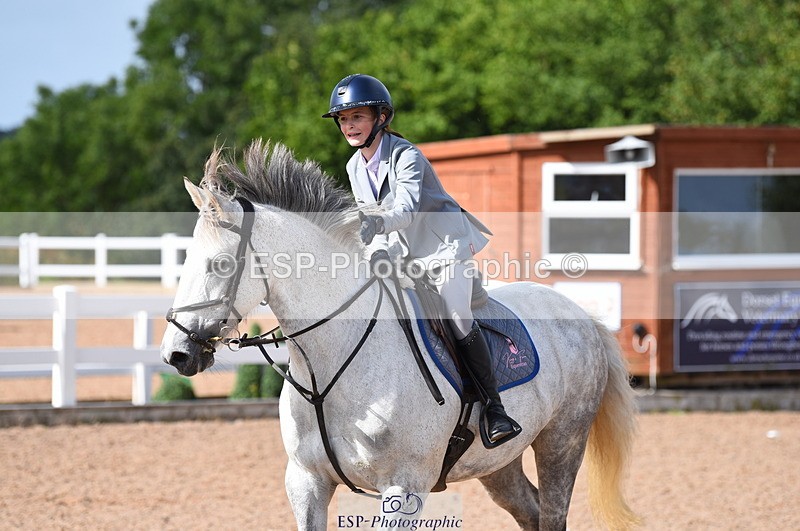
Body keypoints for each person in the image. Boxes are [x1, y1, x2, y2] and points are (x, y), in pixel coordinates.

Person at [323, 74, 519, 446]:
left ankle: (495, 408)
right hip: (404, 251)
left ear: (381, 117)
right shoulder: (353, 167)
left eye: (357, 117)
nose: (349, 125)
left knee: (457, 317)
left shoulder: (406, 155)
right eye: (344, 119)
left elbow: (406, 209)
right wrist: (371, 246)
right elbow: (370, 217)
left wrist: (377, 224)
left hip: (444, 248)